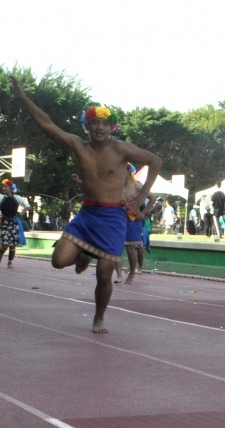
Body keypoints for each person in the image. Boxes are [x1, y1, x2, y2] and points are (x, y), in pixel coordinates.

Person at [12, 76, 162, 333]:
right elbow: (46, 124)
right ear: (87, 127)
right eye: (95, 124)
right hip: (87, 214)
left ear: (111, 127)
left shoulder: (121, 149)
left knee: (105, 273)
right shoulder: (76, 146)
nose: (100, 128)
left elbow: (155, 161)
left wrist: (142, 194)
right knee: (58, 261)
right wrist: (23, 96)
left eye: (104, 124)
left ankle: (98, 317)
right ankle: (84, 253)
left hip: (114, 217)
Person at [0, 178, 29, 267]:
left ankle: (10, 262)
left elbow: (27, 206)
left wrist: (20, 214)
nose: (4, 188)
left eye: (6, 187)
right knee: (5, 243)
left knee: (13, 245)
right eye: (3, 187)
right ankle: (0, 255)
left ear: (10, 188)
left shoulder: (17, 198)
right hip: (4, 223)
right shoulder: (0, 197)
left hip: (14, 223)